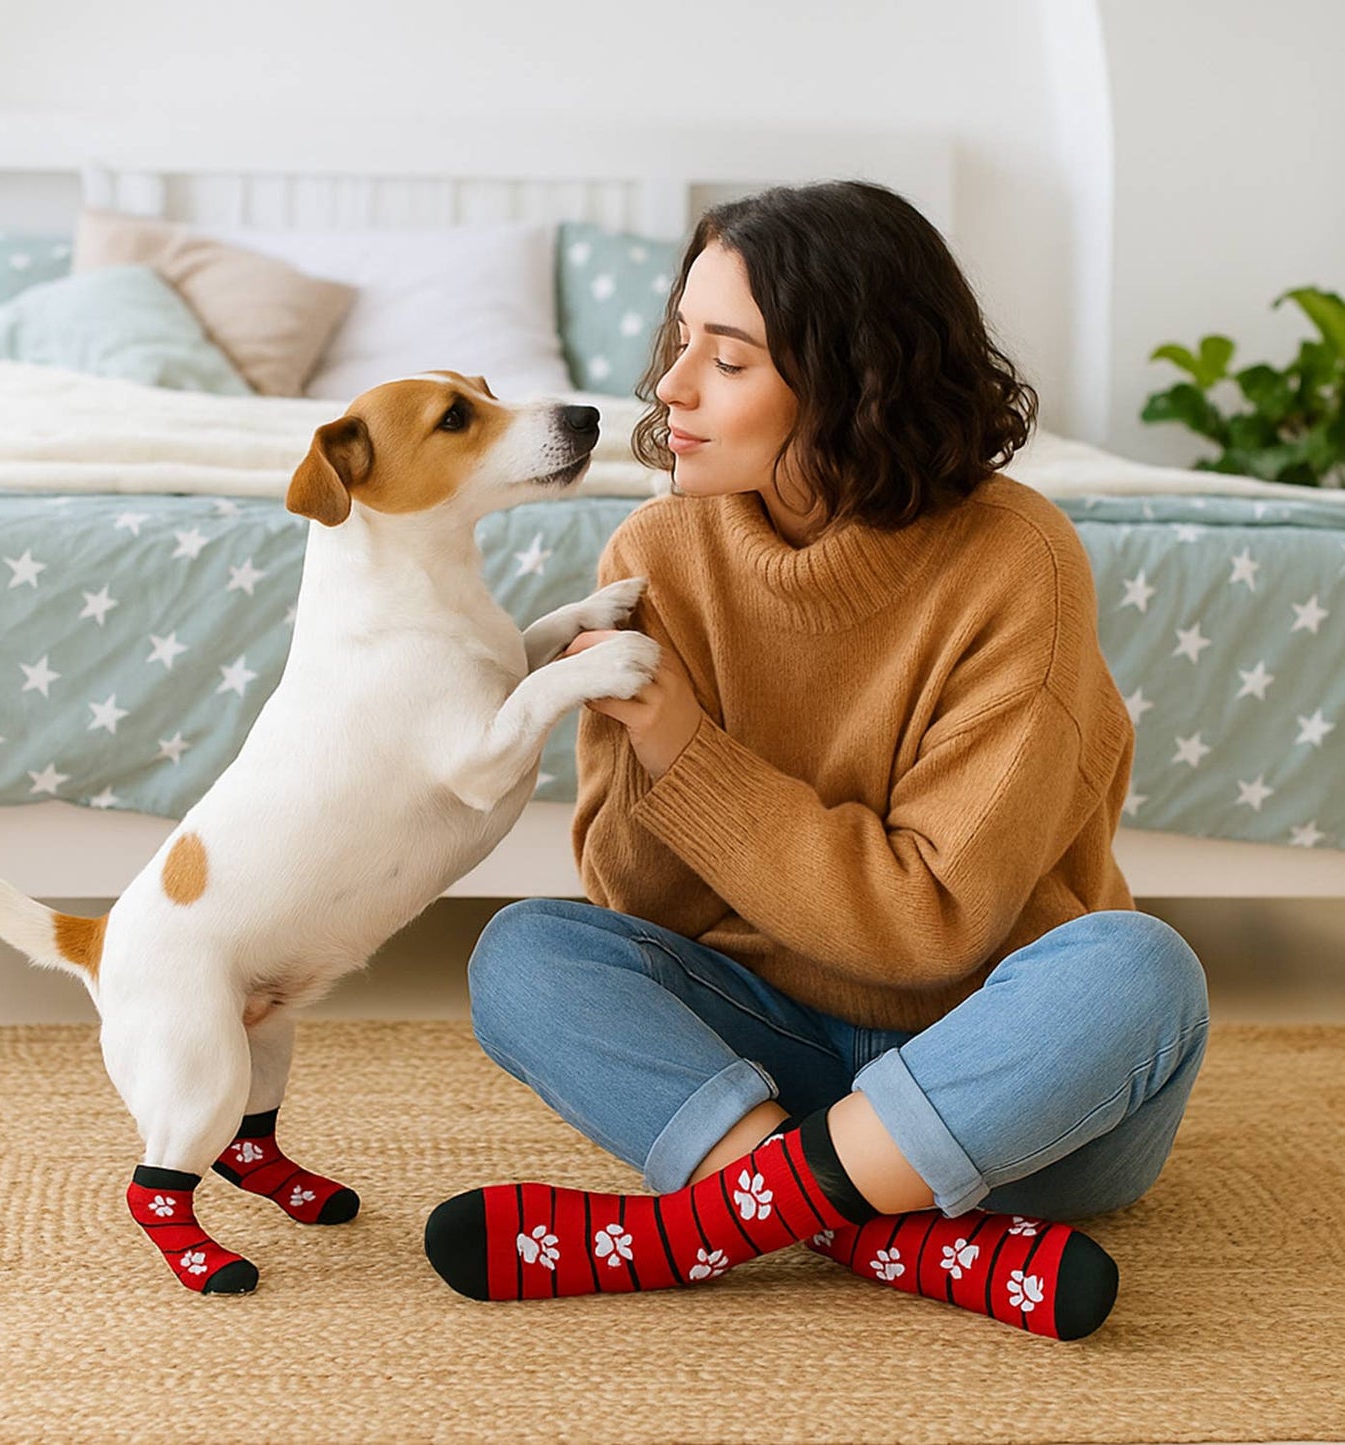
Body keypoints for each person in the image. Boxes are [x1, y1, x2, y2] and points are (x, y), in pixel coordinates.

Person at [422, 181, 1209, 1340]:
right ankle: (863, 1220)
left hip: (1005, 1081)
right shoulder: (658, 549)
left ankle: (700, 1226)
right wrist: (651, 742)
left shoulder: (1016, 561)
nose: (669, 387)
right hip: (772, 1062)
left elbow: (931, 922)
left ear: (852, 380)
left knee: (1142, 971)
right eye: (680, 340)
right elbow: (637, 904)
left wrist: (691, 748)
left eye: (726, 359)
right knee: (526, 952)